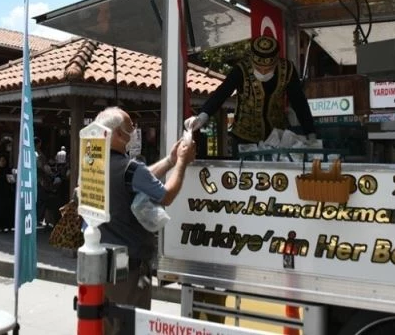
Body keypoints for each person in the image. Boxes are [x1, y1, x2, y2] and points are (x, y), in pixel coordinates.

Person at [95, 106, 196, 335]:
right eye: (131, 127)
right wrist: (181, 161)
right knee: (128, 328)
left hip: (99, 265)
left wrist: (169, 161)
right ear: (119, 135)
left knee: (103, 326)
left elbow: (138, 179)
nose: (134, 131)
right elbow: (166, 195)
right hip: (128, 270)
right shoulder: (130, 169)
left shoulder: (94, 164)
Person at [185, 35, 317, 155]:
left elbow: (299, 102)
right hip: (244, 138)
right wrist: (202, 116)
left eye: (268, 68)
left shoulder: (287, 70)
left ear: (276, 63)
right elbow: (221, 94)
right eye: (259, 68)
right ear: (252, 61)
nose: (263, 72)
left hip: (277, 137)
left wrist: (310, 132)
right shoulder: (241, 70)